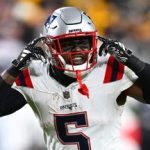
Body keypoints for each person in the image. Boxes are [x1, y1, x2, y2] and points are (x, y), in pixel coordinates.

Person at [0, 6, 150, 150]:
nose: (77, 51)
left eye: (83, 42)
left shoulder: (109, 69)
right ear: (49, 46)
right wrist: (14, 68)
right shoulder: (35, 75)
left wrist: (132, 61)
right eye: (67, 44)